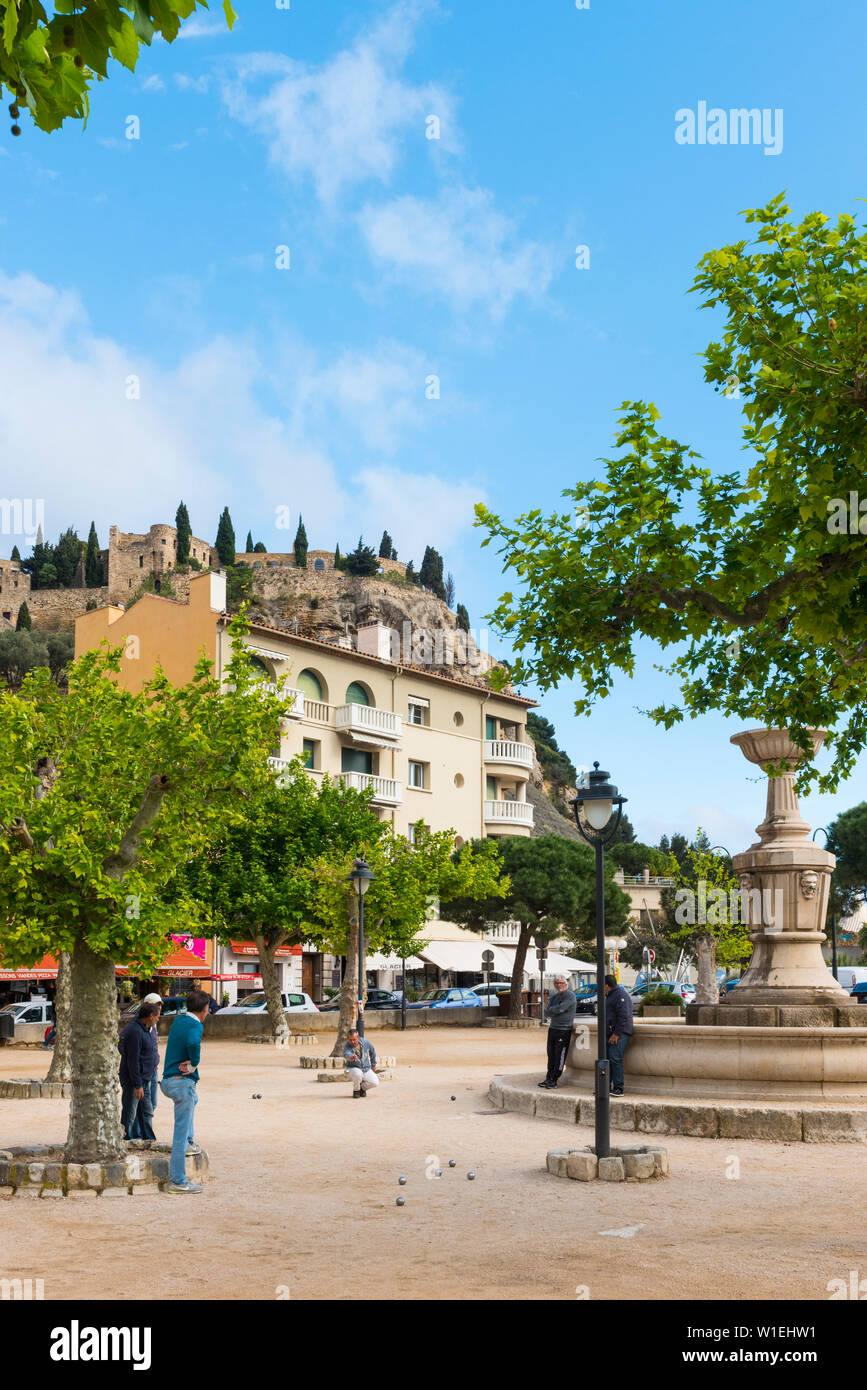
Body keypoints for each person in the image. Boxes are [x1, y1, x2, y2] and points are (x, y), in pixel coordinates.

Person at [159, 989, 209, 1193]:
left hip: (168, 1081)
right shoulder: (196, 1025)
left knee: (193, 1101)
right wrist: (193, 1065)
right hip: (182, 1083)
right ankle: (178, 1181)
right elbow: (193, 1043)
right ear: (205, 1010)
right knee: (179, 1135)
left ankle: (189, 1142)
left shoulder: (179, 1021)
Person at [118, 1001, 160, 1142]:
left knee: (146, 1111)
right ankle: (125, 1139)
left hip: (145, 1078)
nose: (158, 1019)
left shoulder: (147, 1029)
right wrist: (137, 1085)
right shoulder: (134, 1031)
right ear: (150, 1016)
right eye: (157, 1016)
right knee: (130, 1112)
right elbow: (132, 1059)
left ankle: (147, 1137)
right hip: (135, 1080)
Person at [130, 994, 163, 1139]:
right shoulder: (138, 1027)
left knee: (152, 1104)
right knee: (141, 1107)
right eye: (156, 1005)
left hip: (152, 1070)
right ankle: (140, 1135)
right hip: (143, 1072)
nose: (159, 1009)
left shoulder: (153, 1026)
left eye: (160, 1005)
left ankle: (142, 1133)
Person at [538, 975, 577, 1090]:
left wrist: (554, 1009)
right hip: (553, 1028)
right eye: (556, 983)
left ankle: (554, 1080)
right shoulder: (554, 997)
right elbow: (547, 1012)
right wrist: (555, 1009)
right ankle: (548, 1077)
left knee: (559, 1055)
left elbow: (561, 1009)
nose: (559, 985)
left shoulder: (570, 995)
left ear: (565, 984)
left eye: (561, 983)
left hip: (564, 1030)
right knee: (551, 1055)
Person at [604, 973, 634, 1097]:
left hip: (620, 1032)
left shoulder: (620, 995)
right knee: (608, 1059)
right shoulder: (611, 995)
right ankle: (606, 1087)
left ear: (606, 985)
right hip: (612, 1032)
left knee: (615, 1058)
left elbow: (623, 1016)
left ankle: (618, 1088)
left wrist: (616, 1034)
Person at [343, 1027, 379, 1097]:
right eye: (350, 1040)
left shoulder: (366, 1042)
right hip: (352, 1068)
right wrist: (351, 1056)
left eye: (354, 1039)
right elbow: (346, 1054)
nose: (352, 1042)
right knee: (357, 1073)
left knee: (375, 1082)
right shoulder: (347, 1046)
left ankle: (362, 1088)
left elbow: (372, 1051)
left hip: (365, 1068)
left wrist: (373, 1065)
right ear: (348, 1039)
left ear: (358, 1038)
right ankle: (356, 1091)